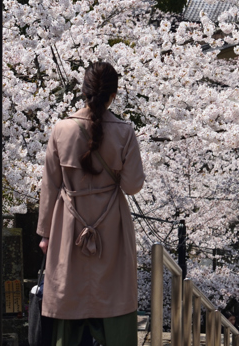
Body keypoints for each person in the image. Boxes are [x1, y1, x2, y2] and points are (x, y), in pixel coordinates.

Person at [38, 62, 146, 346]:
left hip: (68, 226)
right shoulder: (124, 131)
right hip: (112, 226)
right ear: (113, 95)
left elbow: (50, 185)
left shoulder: (61, 129)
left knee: (69, 295)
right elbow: (133, 186)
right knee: (114, 297)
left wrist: (45, 234)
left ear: (84, 91)